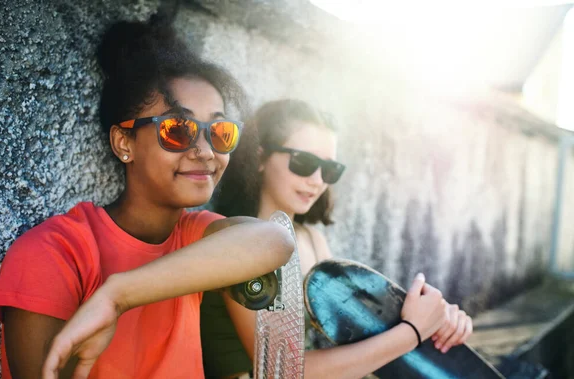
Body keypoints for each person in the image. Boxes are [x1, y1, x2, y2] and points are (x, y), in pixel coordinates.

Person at [0, 13, 294, 379]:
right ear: (124, 143)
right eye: (178, 130)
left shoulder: (196, 236)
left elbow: (275, 239)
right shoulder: (53, 252)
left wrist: (118, 296)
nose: (206, 150)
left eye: (220, 131)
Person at [201, 99, 474, 379]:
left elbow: (356, 341)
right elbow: (281, 370)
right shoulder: (240, 242)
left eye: (330, 170)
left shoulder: (312, 240)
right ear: (260, 158)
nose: (318, 180)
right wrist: (412, 333)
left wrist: (437, 323)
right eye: (304, 162)